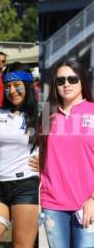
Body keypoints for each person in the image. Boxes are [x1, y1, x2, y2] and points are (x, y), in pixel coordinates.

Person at [0, 62, 39, 248]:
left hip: (26, 187)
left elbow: (60, 149)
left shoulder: (41, 114)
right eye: (8, 86)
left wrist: (46, 162)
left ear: (27, 85)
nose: (12, 91)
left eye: (16, 85)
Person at [39, 60, 94, 247]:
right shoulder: (47, 116)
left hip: (88, 205)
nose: (66, 84)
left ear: (82, 81)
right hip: (52, 204)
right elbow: (39, 158)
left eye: (72, 79)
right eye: (60, 80)